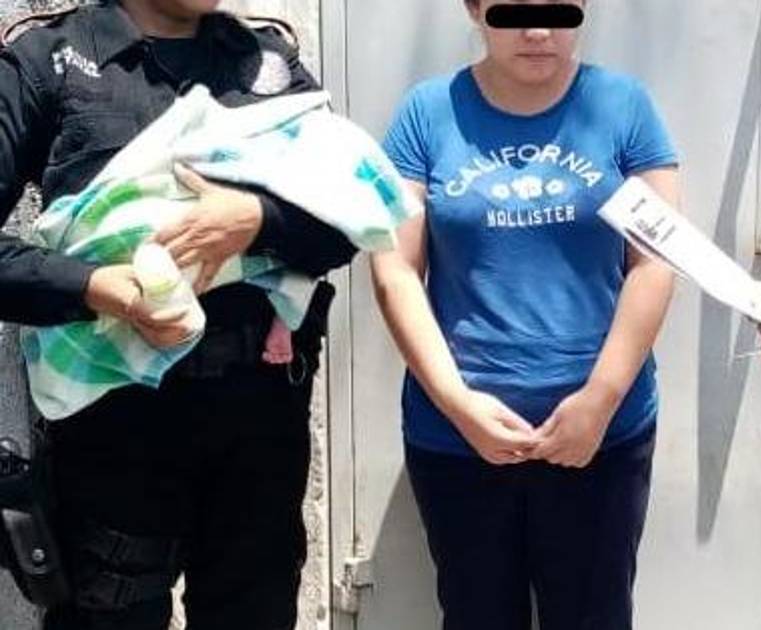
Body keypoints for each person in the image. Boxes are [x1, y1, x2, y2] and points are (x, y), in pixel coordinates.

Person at [0, 0, 357, 627]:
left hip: (258, 416)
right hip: (114, 420)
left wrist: (257, 220)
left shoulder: (267, 62)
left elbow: (352, 219)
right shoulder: (48, 61)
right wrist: (94, 287)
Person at [371, 0, 679, 628]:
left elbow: (654, 263)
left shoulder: (624, 108)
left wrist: (599, 401)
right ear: (475, 9)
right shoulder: (427, 114)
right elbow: (394, 269)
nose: (538, 30)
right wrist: (459, 406)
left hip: (602, 437)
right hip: (458, 439)